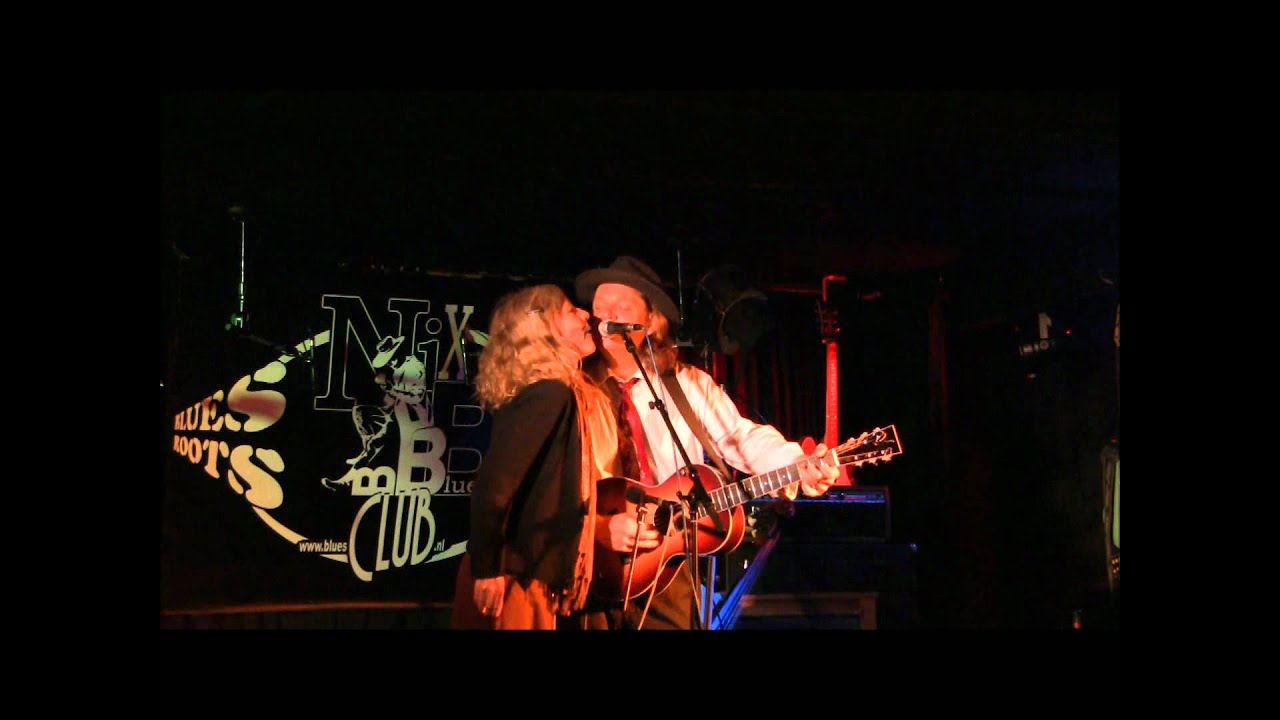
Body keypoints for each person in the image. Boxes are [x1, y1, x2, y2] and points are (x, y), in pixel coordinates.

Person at [573, 255, 841, 630]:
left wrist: (797, 461)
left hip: (667, 567)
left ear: (650, 320)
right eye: (599, 309)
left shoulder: (687, 384)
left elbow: (740, 438)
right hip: (587, 566)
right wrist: (596, 528)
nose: (606, 319)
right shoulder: (573, 388)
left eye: (621, 307)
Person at [450, 285, 621, 630]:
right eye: (572, 311)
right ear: (545, 328)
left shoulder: (561, 392)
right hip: (510, 575)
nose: (586, 314)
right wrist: (488, 570)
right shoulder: (548, 393)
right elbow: (493, 487)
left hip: (528, 574)